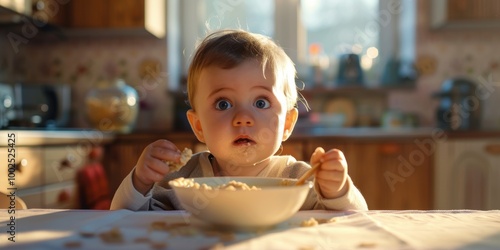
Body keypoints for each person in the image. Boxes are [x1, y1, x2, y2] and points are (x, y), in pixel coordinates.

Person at [111, 29, 368, 211]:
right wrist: (140, 181)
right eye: (223, 104)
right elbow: (122, 217)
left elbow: (355, 217)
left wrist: (338, 190)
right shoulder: (182, 179)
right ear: (199, 125)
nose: (243, 118)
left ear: (288, 123)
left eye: (261, 103)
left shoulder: (299, 179)